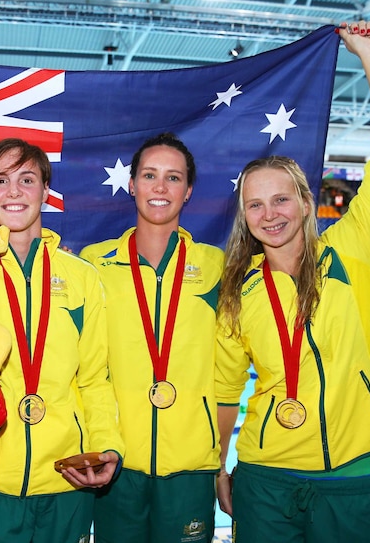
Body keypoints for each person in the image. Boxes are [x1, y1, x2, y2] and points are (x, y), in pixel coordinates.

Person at [214, 21, 370, 543]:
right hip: (264, 477)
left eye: (281, 199)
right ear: (244, 217)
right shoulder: (239, 290)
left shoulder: (349, 250)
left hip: (348, 477)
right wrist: (219, 467)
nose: (270, 214)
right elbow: (224, 390)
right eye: (255, 205)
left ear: (306, 203)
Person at [0, 138, 124, 543]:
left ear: (45, 191)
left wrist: (108, 448)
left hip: (66, 478)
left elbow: (94, 379)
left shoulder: (81, 277)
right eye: (1, 180)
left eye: (26, 179)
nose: (14, 192)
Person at [80, 133, 225, 543]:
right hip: (117, 463)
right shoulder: (94, 264)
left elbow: (234, 370)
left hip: (191, 467)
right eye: (149, 175)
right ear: (132, 184)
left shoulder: (216, 267)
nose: (160, 187)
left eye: (173, 178)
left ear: (188, 191)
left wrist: (221, 463)